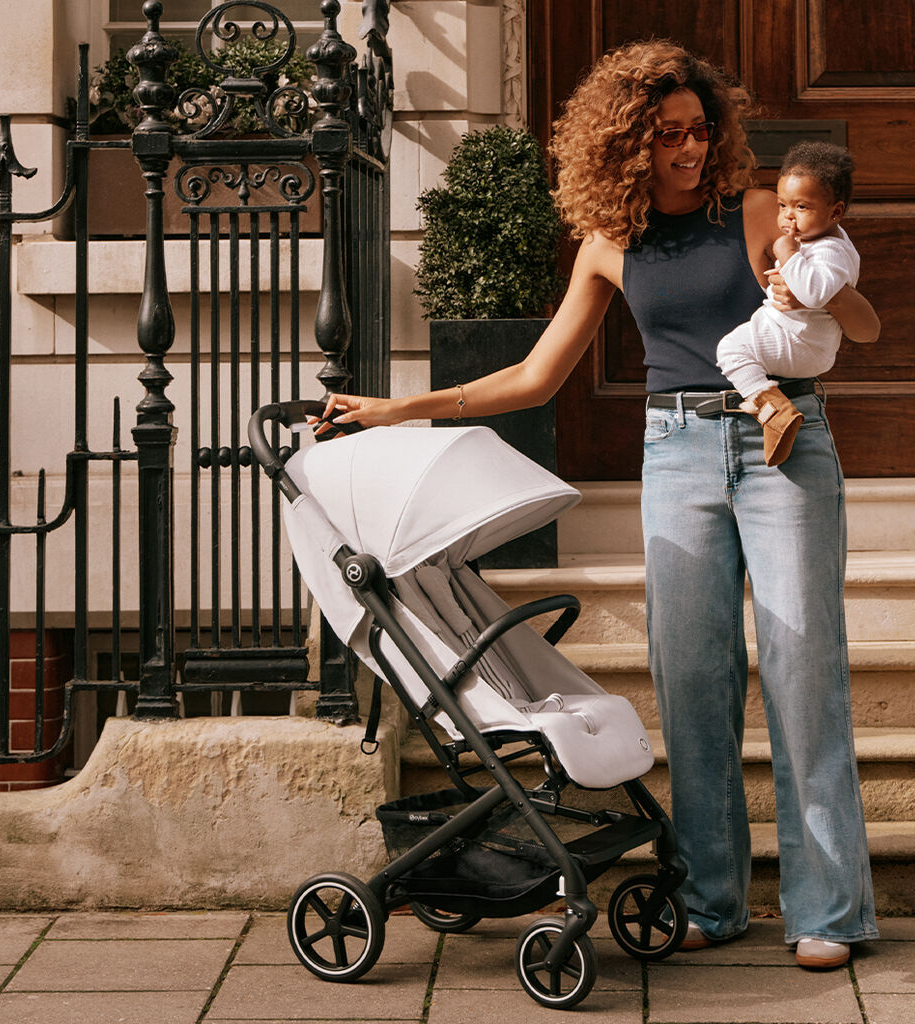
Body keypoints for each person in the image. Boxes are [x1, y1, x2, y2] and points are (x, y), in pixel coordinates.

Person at [317, 40, 880, 971]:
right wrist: (398, 407)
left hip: (784, 443)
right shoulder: (609, 246)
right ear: (628, 143)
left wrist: (829, 288)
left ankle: (827, 908)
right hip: (679, 455)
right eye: (668, 137)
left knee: (802, 670)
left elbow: (855, 327)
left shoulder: (751, 213)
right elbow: (537, 377)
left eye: (701, 131)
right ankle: (709, 897)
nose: (691, 151)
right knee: (692, 682)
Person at [713, 141, 859, 467]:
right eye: (782, 206)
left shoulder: (830, 250)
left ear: (835, 211)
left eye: (801, 208)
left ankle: (774, 412)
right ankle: (772, 408)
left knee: (731, 350)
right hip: (797, 337)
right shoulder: (824, 239)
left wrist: (787, 253)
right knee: (740, 346)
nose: (787, 217)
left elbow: (815, 292)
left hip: (799, 341)